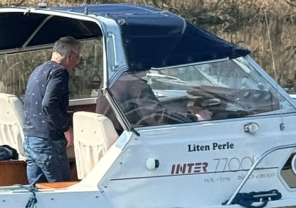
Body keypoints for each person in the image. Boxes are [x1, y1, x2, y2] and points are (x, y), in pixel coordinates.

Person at [21, 36, 82, 183]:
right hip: (49, 143)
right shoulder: (59, 72)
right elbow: (49, 103)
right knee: (61, 189)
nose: (77, 62)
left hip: (30, 139)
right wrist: (66, 129)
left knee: (37, 191)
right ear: (70, 55)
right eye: (78, 58)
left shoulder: (37, 70)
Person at [97, 71, 210, 133]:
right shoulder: (135, 85)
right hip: (129, 146)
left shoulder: (109, 81)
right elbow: (158, 117)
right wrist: (194, 118)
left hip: (115, 141)